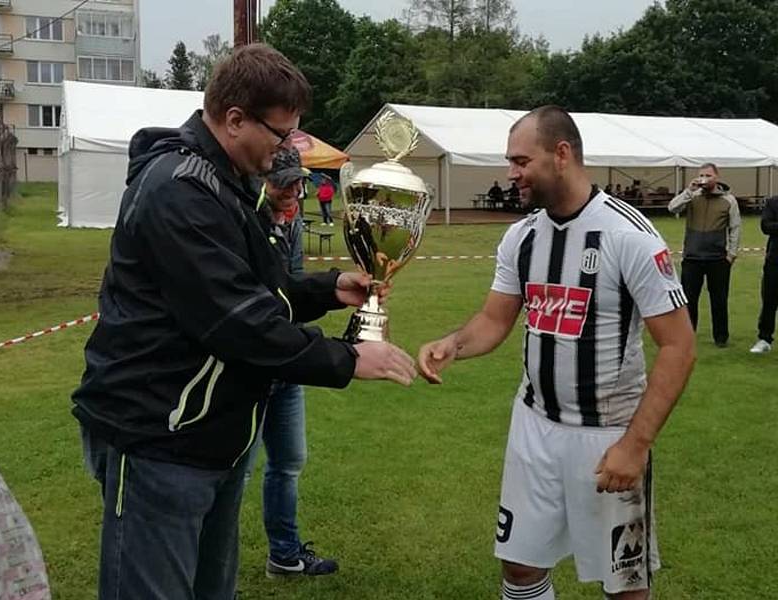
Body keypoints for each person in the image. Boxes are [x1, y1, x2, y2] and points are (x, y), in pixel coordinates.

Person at [71, 44, 417, 600]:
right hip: (158, 438)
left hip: (215, 440)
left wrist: (326, 289)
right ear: (234, 119)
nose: (286, 149)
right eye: (280, 135)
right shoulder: (179, 191)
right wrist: (348, 359)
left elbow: (261, 287)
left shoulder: (227, 184)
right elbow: (237, 321)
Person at [418, 106, 696, 600]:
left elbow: (679, 345)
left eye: (521, 160)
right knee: (520, 568)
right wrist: (453, 345)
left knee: (625, 585)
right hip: (535, 426)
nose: (511, 173)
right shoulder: (522, 236)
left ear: (561, 154)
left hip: (608, 431)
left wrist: (635, 445)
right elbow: (495, 319)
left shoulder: (628, 234)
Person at [242, 147, 338, 577]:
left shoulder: (294, 221)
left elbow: (291, 288)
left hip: (286, 366)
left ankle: (284, 555)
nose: (294, 190)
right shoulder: (241, 220)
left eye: (298, 181)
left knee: (289, 462)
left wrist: (330, 291)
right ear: (260, 180)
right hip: (248, 369)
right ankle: (211, 572)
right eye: (284, 182)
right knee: (233, 475)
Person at [668, 163, 741, 347]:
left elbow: (735, 228)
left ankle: (721, 338)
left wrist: (731, 255)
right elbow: (672, 208)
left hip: (718, 259)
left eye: (708, 175)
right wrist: (688, 191)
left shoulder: (729, 200)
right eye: (701, 175)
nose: (704, 178)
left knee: (719, 300)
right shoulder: (692, 196)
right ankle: (688, 336)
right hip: (692, 258)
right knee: (689, 301)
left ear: (716, 177)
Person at [750, 195, 778, 353]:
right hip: (775, 260)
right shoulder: (773, 202)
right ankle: (765, 339)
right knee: (769, 301)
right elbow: (766, 226)